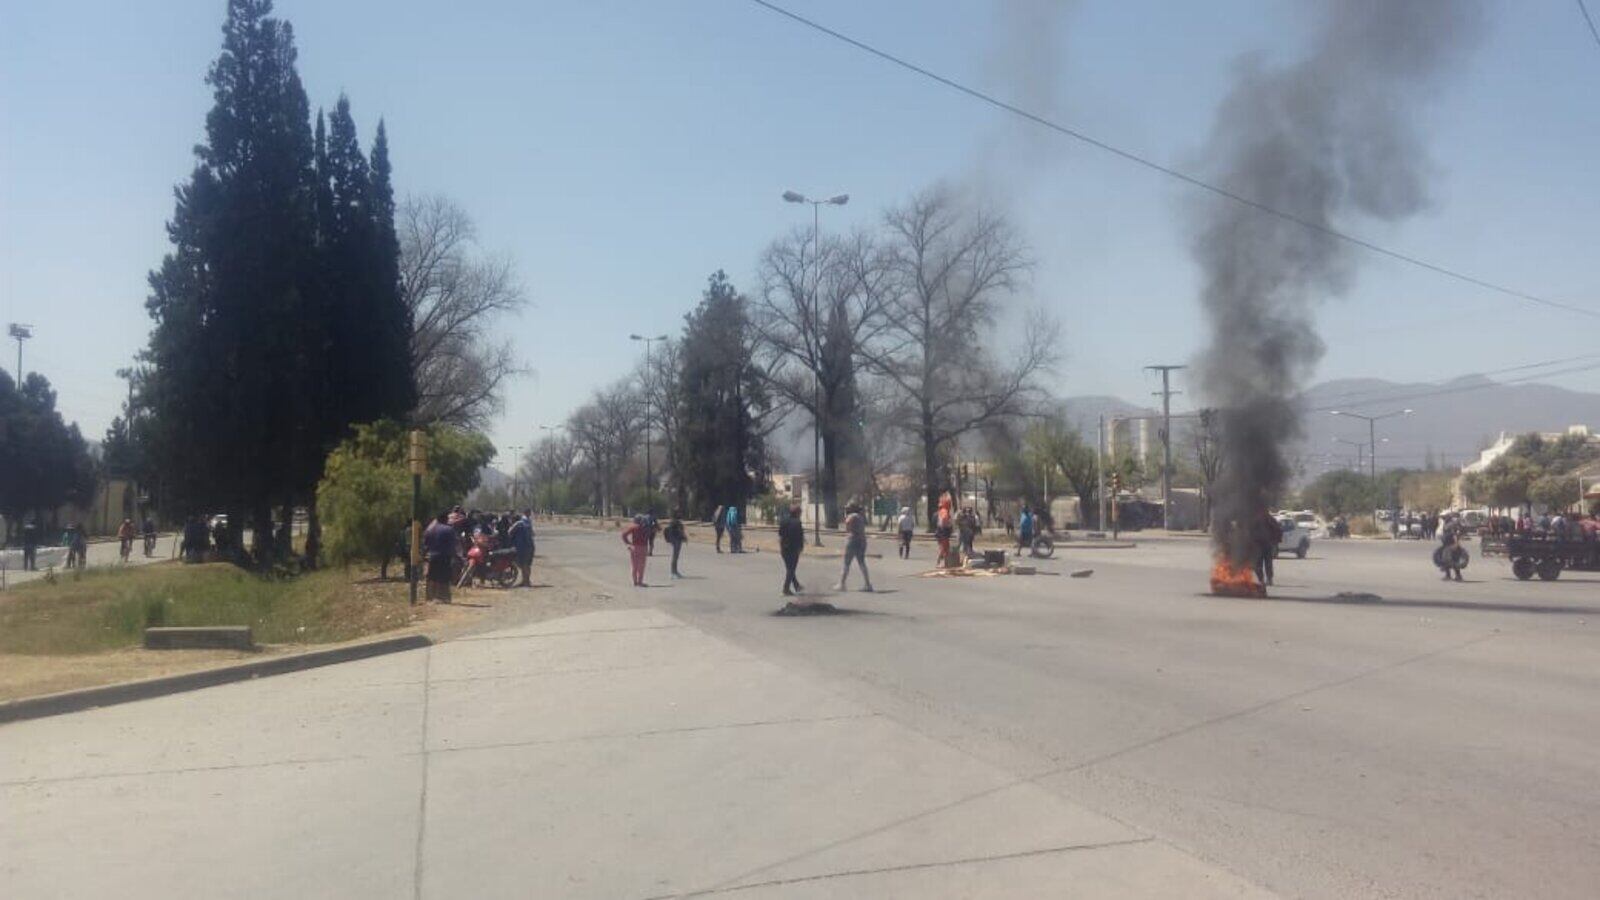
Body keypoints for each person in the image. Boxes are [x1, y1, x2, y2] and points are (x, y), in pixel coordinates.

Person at [837, 503, 874, 592]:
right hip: (862, 540)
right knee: (861, 562)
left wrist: (846, 517)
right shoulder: (860, 517)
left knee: (847, 562)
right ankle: (867, 584)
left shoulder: (851, 516)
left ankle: (842, 584)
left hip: (852, 540)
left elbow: (847, 526)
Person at [423, 511, 459, 602]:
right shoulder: (449, 530)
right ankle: (443, 597)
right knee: (443, 577)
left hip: (432, 556)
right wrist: (454, 556)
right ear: (445, 519)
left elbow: (425, 543)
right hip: (444, 556)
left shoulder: (429, 529)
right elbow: (453, 544)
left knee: (432, 577)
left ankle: (430, 597)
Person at [779, 504, 805, 596]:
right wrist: (801, 547)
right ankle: (785, 589)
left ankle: (797, 586)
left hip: (784, 548)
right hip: (793, 549)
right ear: (797, 513)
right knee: (791, 569)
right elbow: (800, 536)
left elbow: (780, 534)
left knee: (790, 568)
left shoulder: (784, 521)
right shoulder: (797, 522)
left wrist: (782, 545)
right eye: (800, 512)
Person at [1253, 509, 1281, 587]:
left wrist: (1275, 543)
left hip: (1266, 544)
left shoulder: (1270, 520)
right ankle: (1262, 579)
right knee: (1259, 563)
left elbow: (1277, 530)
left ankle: (1267, 579)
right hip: (1259, 545)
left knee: (1266, 563)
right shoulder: (1256, 520)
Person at [509, 509, 536, 587]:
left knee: (523, 564)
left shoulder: (518, 524)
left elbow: (509, 532)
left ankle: (525, 582)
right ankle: (526, 580)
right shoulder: (528, 523)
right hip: (530, 546)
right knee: (527, 565)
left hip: (522, 547)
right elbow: (533, 534)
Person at [622, 514, 649, 586]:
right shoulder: (645, 528)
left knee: (634, 565)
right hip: (643, 547)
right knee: (641, 566)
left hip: (634, 547)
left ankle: (634, 581)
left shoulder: (633, 528)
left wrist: (628, 543)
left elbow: (624, 535)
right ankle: (640, 581)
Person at [664, 512, 687, 578]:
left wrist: (684, 537)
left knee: (676, 557)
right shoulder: (674, 522)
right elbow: (673, 532)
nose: (680, 514)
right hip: (676, 540)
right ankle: (673, 572)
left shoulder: (677, 522)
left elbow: (681, 531)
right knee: (675, 557)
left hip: (678, 540)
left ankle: (675, 571)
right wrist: (673, 540)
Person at [935, 496, 954, 567]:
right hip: (943, 532)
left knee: (944, 548)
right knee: (944, 548)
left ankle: (944, 563)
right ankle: (940, 563)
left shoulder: (941, 511)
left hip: (940, 531)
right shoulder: (944, 511)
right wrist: (948, 525)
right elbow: (944, 520)